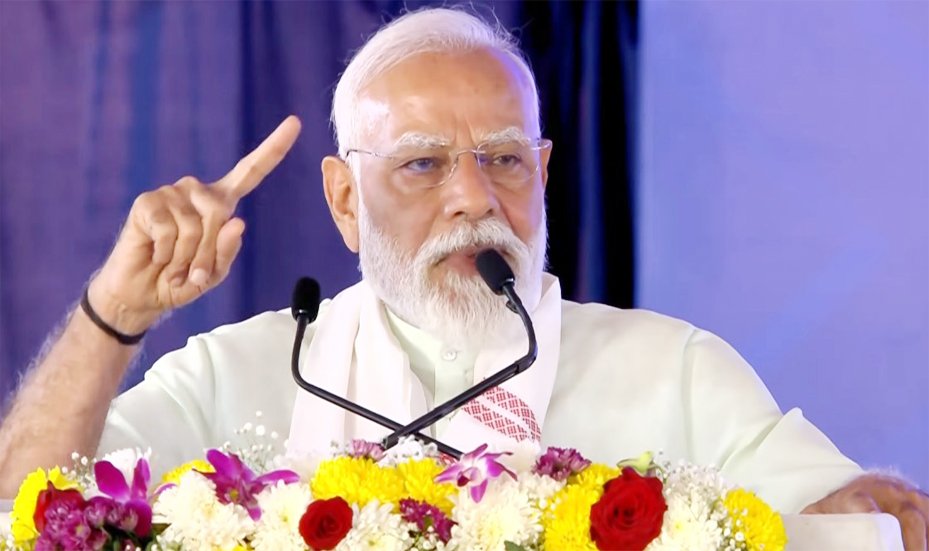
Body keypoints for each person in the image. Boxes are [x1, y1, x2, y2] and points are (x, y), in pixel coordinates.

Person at [1, 7, 926, 548]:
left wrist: (868, 509)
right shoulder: (240, 371)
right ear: (343, 198)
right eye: (422, 164)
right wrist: (112, 314)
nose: (473, 199)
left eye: (504, 159)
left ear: (544, 173)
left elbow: (857, 522)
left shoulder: (671, 368)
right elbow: (21, 507)